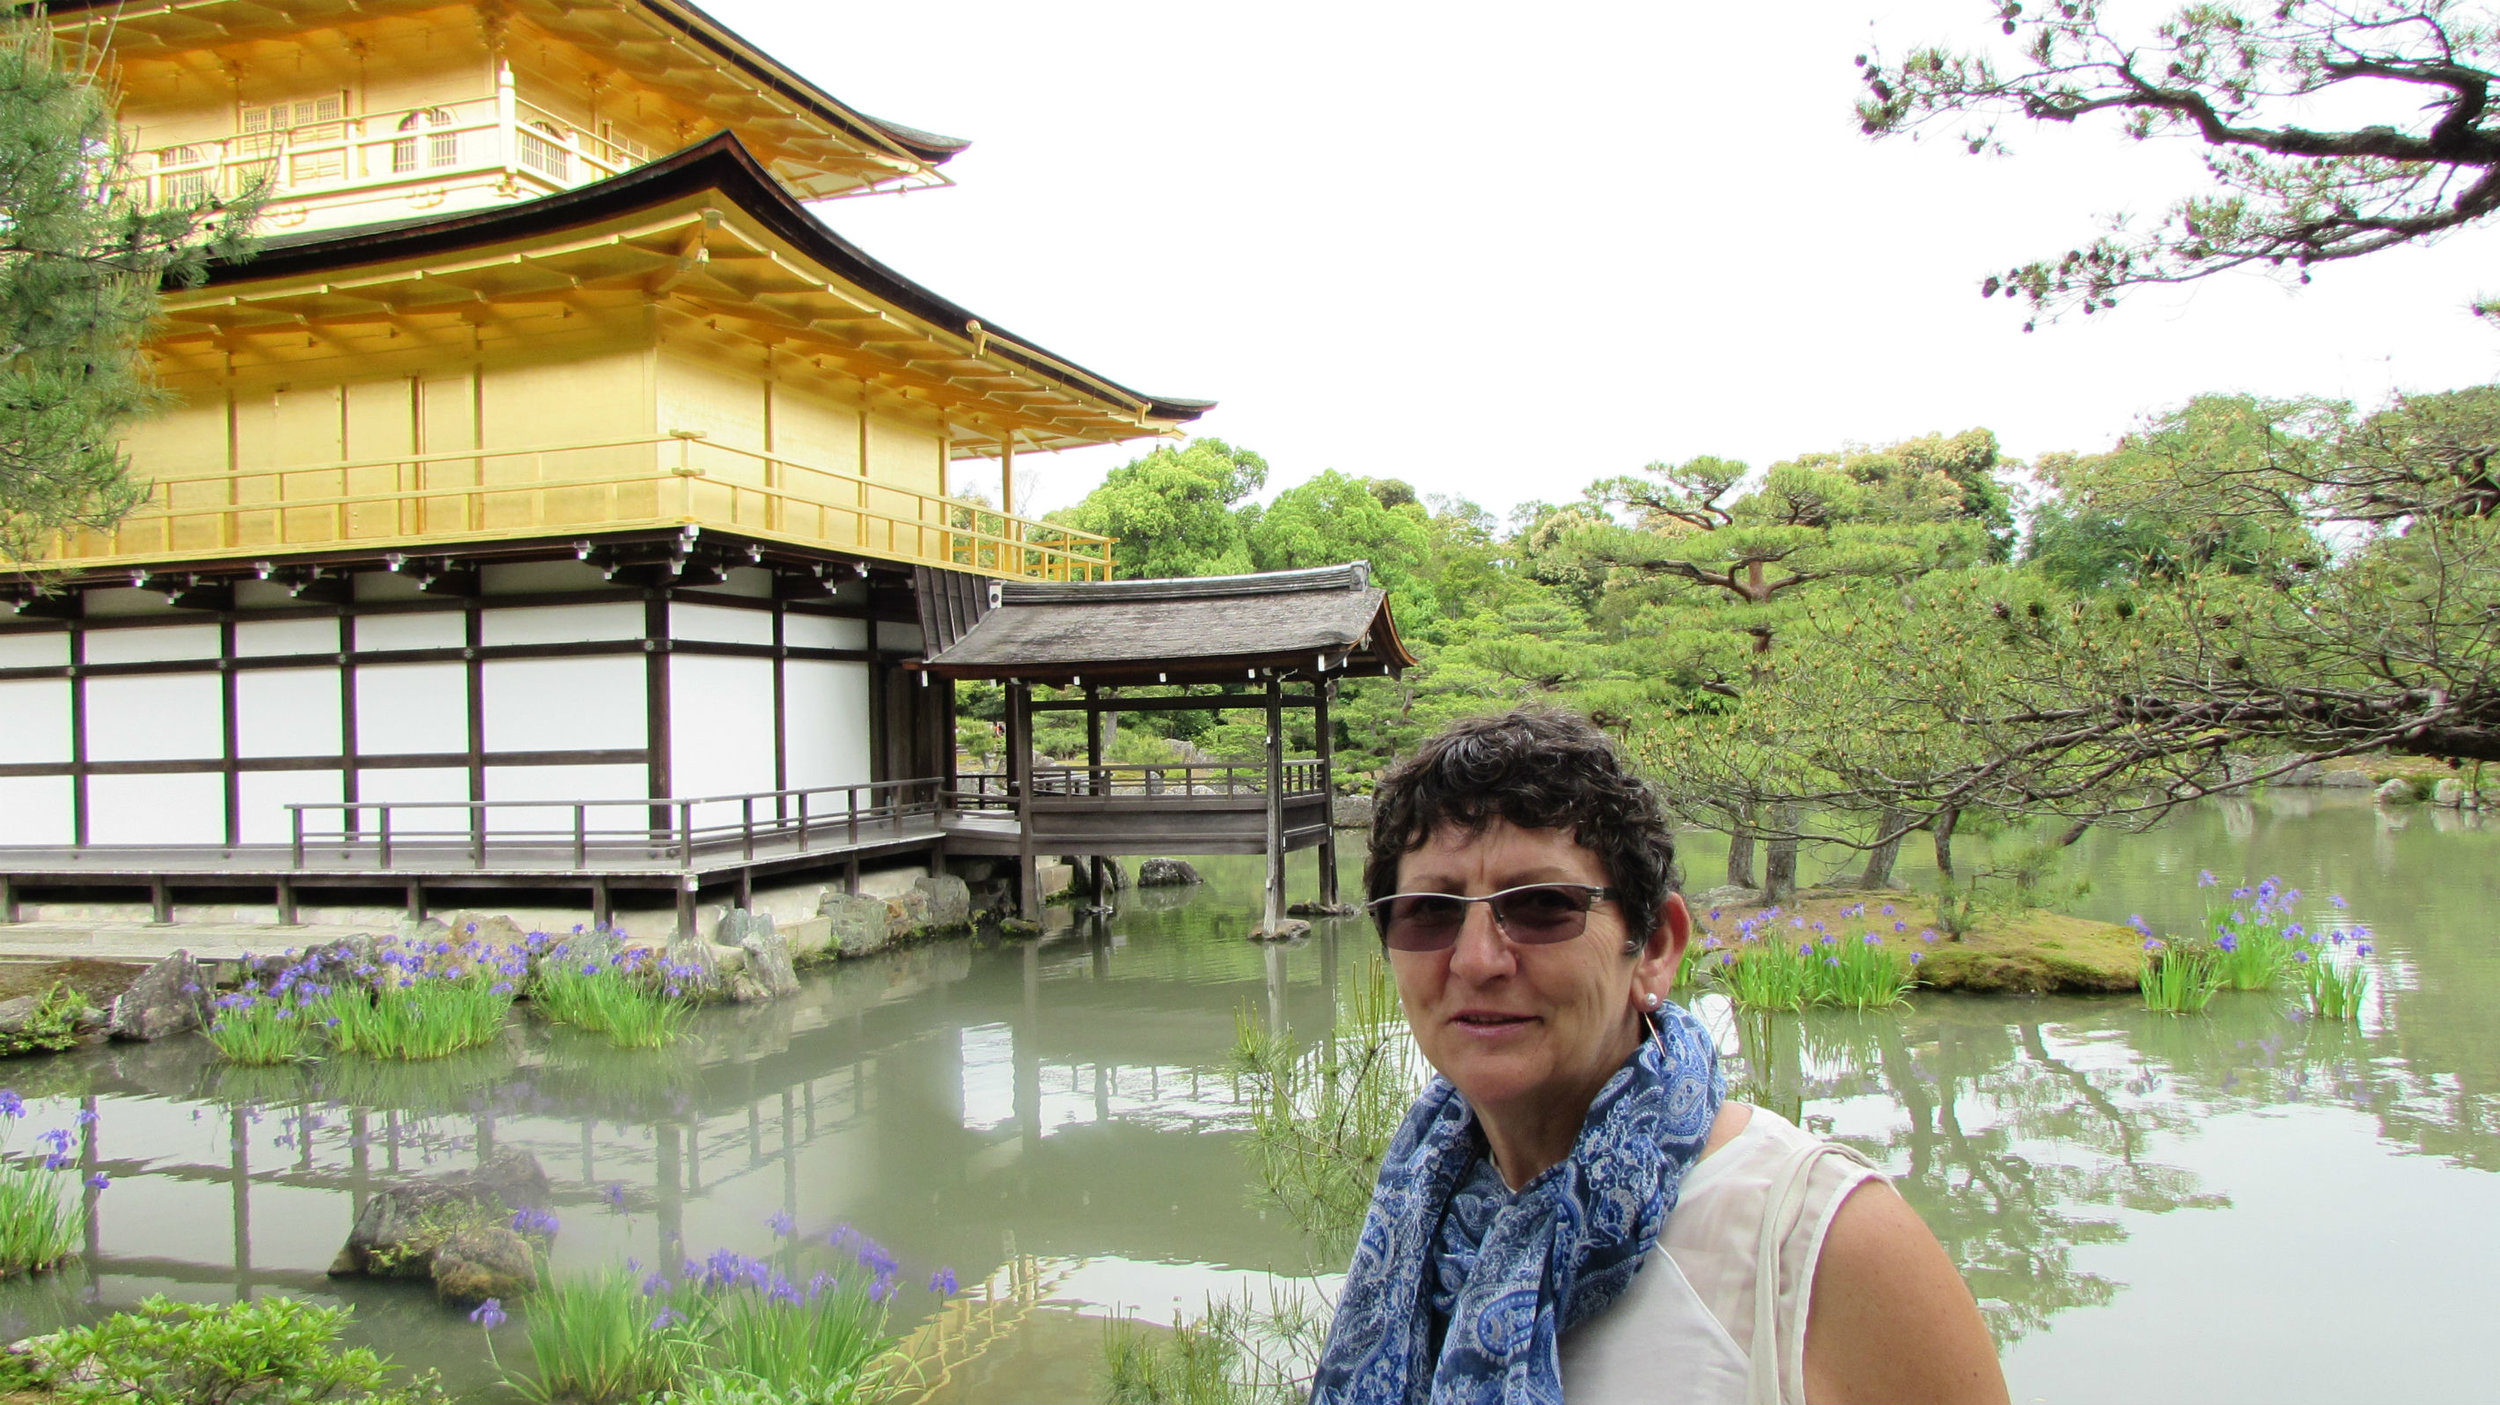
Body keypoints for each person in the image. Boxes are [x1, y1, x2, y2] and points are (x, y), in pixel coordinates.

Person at [1310, 709, 2007, 1405]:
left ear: (1656, 947)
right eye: (1429, 911)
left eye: (1544, 905)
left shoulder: (1821, 1241)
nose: (1478, 959)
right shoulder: (1415, 1223)